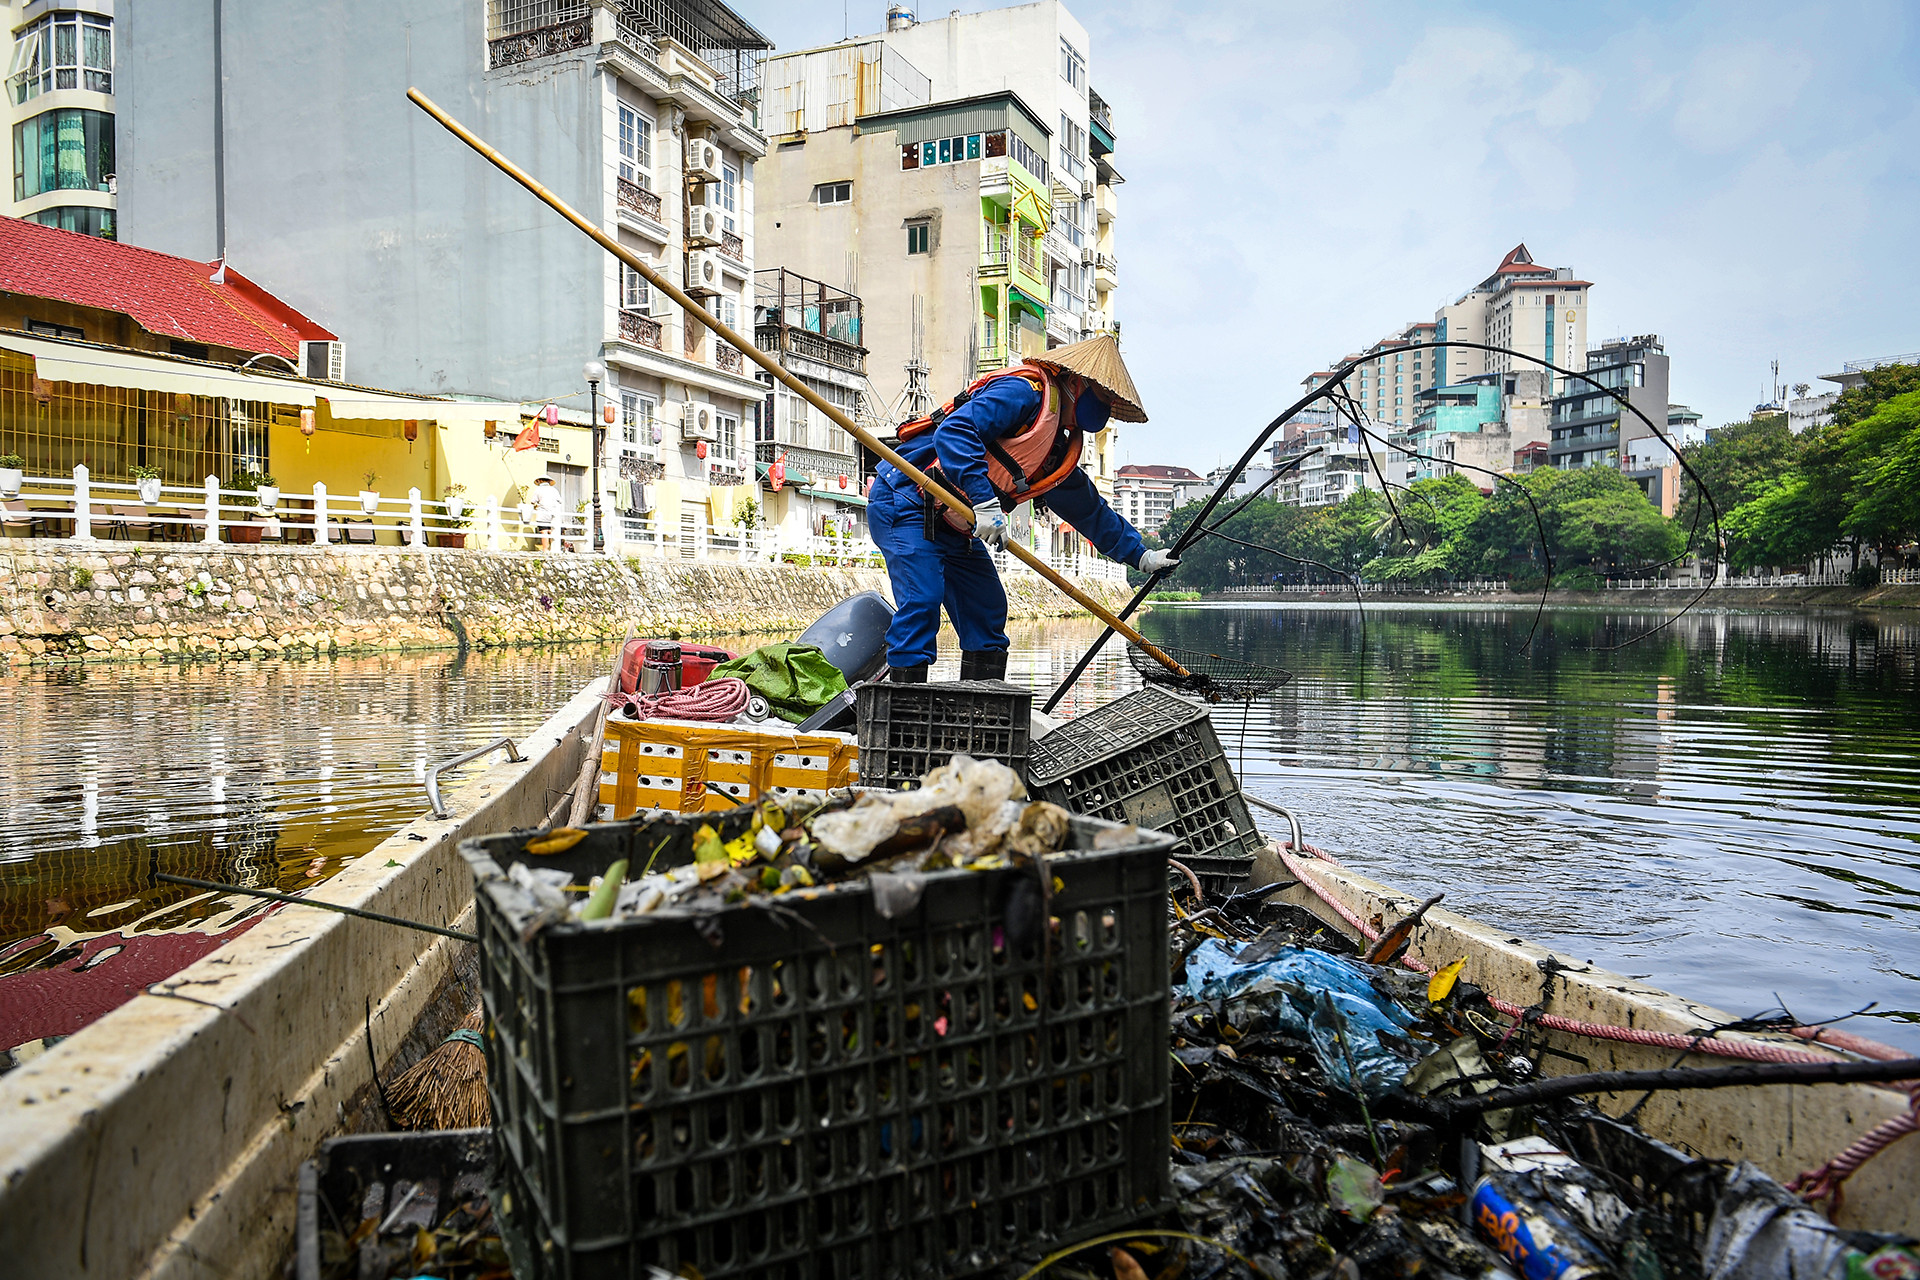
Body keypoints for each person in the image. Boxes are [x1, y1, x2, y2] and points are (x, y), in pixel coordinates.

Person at [867, 334, 1180, 683]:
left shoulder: (1057, 447)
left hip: (957, 524)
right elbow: (955, 433)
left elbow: (1089, 511)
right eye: (1103, 395)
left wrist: (1141, 556)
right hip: (908, 499)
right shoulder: (1024, 392)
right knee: (922, 601)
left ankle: (979, 713)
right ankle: (903, 716)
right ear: (1078, 381)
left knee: (987, 610)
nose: (1105, 408)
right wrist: (984, 501)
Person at [528, 475, 563, 550]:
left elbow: (533, 501)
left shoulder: (538, 490)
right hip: (554, 512)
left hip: (543, 512)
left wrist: (536, 505)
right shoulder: (554, 490)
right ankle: (553, 548)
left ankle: (545, 549)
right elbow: (560, 501)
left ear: (540, 481)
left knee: (544, 531)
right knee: (552, 530)